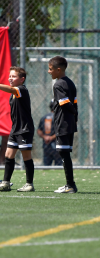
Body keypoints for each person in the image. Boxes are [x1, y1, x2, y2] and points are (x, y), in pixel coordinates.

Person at [0, 66, 35, 192]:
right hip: (16, 129)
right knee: (8, 155)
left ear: (22, 79)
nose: (10, 78)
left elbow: (12, 89)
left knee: (26, 156)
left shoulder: (21, 89)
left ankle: (29, 184)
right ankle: (6, 183)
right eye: (10, 76)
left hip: (25, 129)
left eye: (14, 76)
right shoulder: (13, 93)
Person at [48, 56, 78, 193]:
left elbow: (65, 103)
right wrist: (74, 116)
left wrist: (71, 113)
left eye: (50, 69)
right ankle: (70, 184)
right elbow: (75, 103)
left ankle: (70, 185)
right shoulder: (70, 83)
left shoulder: (58, 84)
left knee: (64, 153)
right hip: (70, 122)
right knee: (65, 153)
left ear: (58, 70)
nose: (49, 72)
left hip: (63, 123)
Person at [37, 100, 62, 166]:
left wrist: (45, 137)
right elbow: (61, 131)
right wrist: (52, 137)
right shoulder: (59, 118)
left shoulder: (44, 117)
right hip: (57, 145)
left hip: (46, 145)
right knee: (59, 165)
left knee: (46, 166)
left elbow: (39, 130)